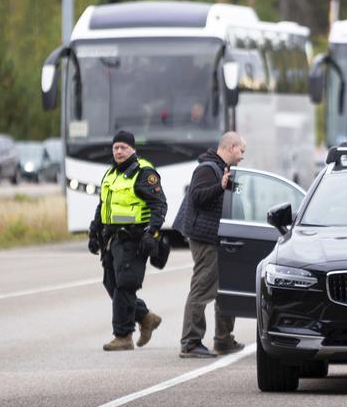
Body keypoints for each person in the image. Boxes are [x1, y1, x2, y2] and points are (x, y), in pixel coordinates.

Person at [87, 130, 166, 351]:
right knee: (111, 284)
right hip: (112, 238)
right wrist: (94, 231)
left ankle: (123, 336)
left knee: (124, 286)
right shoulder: (111, 173)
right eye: (116, 148)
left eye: (123, 147)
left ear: (132, 149)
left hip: (135, 239)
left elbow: (159, 205)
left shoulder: (143, 172)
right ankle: (146, 316)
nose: (119, 151)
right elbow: (103, 205)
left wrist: (152, 233)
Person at [176, 131, 247, 358]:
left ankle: (223, 340)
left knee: (225, 289)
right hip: (206, 239)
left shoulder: (223, 169)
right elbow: (197, 197)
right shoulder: (207, 168)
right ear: (230, 147)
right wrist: (220, 186)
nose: (242, 156)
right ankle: (190, 342)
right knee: (203, 288)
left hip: (221, 237)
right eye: (241, 151)